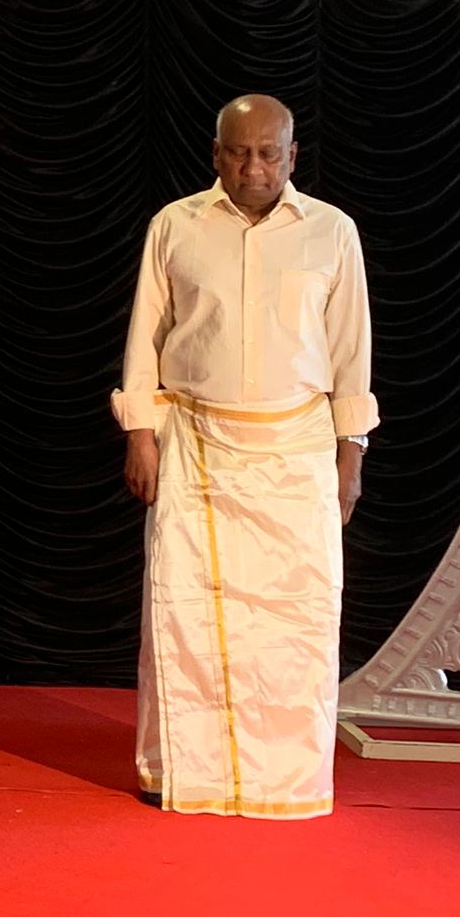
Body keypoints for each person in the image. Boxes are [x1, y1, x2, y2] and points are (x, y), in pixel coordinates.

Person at [114, 94, 377, 819]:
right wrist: (140, 432)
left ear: (292, 156)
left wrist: (351, 453)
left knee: (297, 619)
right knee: (182, 615)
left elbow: (351, 350)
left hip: (299, 448)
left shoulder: (332, 231)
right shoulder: (176, 225)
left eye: (267, 153)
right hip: (196, 443)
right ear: (216, 154)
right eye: (239, 152)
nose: (253, 167)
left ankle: (287, 779)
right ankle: (176, 769)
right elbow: (146, 334)